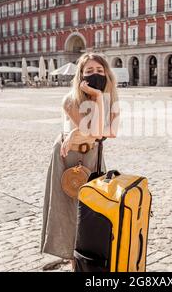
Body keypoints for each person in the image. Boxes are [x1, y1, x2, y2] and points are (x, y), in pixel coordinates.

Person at [40, 53, 120, 271]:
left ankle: (88, 258)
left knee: (92, 209)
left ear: (107, 73)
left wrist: (99, 99)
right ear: (81, 76)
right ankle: (73, 260)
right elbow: (96, 130)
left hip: (93, 158)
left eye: (100, 71)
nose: (95, 75)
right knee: (67, 210)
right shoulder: (70, 100)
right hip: (68, 160)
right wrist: (81, 130)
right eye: (89, 71)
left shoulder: (111, 98)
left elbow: (110, 132)